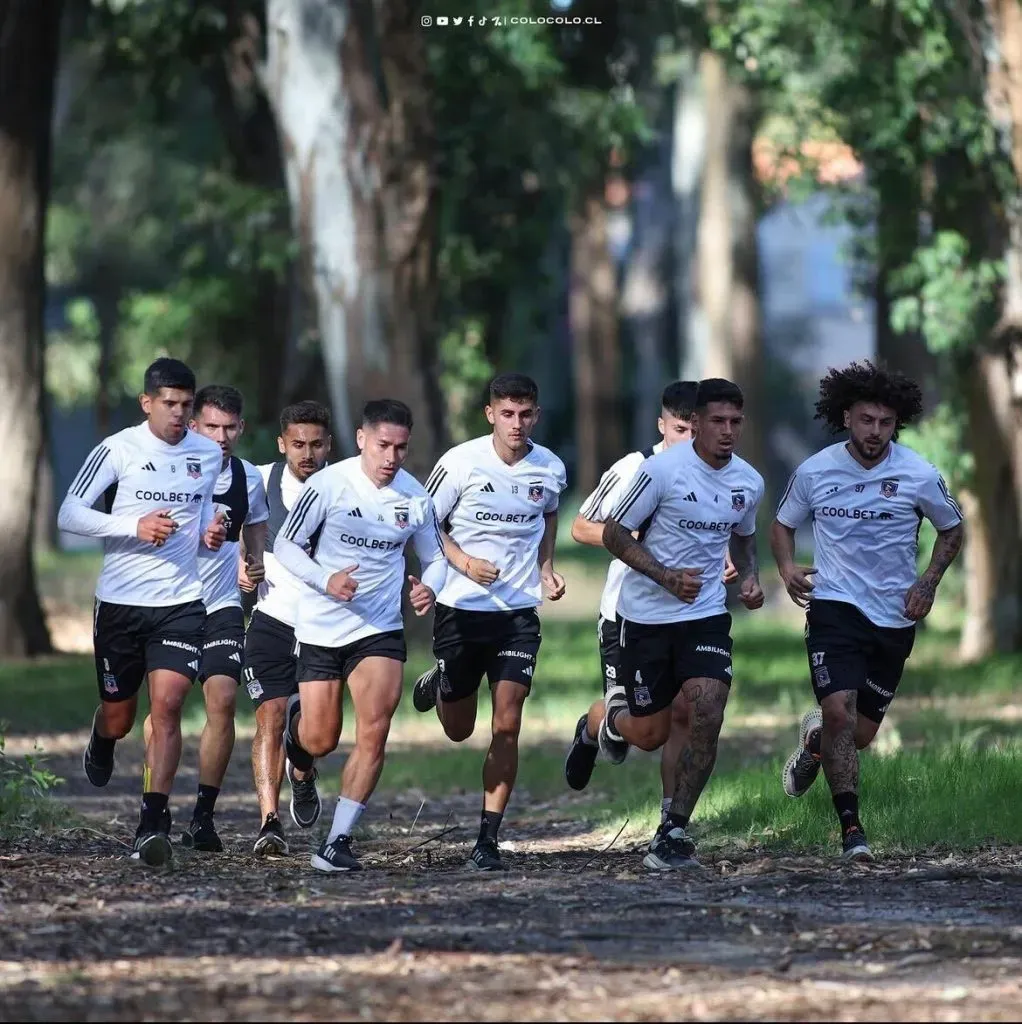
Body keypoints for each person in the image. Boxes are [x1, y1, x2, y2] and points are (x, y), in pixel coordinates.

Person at [771, 361, 964, 862]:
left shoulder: (919, 473)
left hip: (895, 615)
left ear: (896, 424)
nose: (875, 431)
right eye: (865, 420)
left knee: (856, 734)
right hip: (834, 606)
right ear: (846, 417)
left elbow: (953, 529)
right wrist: (788, 568)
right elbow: (782, 524)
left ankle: (815, 742)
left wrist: (928, 582)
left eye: (884, 422)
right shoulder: (815, 470)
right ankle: (852, 830)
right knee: (840, 709)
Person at [57, 357, 226, 865]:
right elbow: (70, 513)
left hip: (179, 601)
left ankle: (152, 822)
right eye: (169, 404)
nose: (178, 414)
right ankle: (103, 733)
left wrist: (205, 534)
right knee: (121, 715)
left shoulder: (207, 453)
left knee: (169, 706)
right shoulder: (119, 449)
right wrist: (134, 526)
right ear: (147, 402)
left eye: (186, 405)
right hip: (120, 604)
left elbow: (198, 519)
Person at [599, 378, 765, 870]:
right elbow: (613, 532)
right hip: (646, 617)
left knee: (706, 711)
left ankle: (673, 829)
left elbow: (744, 537)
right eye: (718, 421)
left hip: (705, 614)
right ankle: (606, 720)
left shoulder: (748, 481)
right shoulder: (662, 471)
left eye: (736, 422)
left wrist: (751, 577)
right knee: (649, 733)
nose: (728, 431)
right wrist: (666, 576)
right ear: (695, 423)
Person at [276, 399, 448, 873]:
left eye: (400, 448)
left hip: (378, 628)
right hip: (321, 626)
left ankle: (337, 840)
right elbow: (286, 546)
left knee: (374, 731)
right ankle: (298, 747)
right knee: (320, 738)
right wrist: (325, 579)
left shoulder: (415, 497)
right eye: (382, 446)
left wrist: (430, 585)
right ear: (360, 440)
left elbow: (435, 557)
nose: (391, 457)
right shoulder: (328, 485)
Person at [411, 372, 567, 871]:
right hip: (460, 609)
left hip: (518, 613)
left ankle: (487, 838)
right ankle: (441, 684)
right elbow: (426, 523)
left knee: (508, 724)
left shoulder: (550, 468)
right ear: (490, 414)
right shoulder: (460, 463)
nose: (516, 424)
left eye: (525, 415)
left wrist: (545, 568)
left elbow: (549, 516)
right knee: (458, 729)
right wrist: (462, 562)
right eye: (507, 414)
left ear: (536, 415)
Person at [563, 380, 738, 807]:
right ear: (662, 426)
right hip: (628, 614)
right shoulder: (635, 469)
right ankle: (597, 722)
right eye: (681, 429)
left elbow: (718, 528)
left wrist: (729, 561)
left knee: (687, 714)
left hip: (691, 612)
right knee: (648, 733)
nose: (689, 439)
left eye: (696, 429)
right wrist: (632, 537)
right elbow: (582, 526)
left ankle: (671, 822)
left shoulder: (719, 471)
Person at [138, 384, 270, 852]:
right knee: (164, 708)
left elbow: (254, 529)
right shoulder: (169, 470)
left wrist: (252, 564)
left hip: (222, 605)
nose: (221, 436)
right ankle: (153, 810)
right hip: (170, 605)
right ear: (193, 425)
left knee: (223, 699)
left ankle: (203, 816)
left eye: (230, 427)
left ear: (242, 428)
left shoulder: (248, 477)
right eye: (211, 426)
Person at [239, 400, 331, 855]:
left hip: (325, 629)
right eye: (298, 444)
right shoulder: (258, 479)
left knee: (315, 730)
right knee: (270, 718)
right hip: (271, 619)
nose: (307, 453)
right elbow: (233, 528)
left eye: (316, 444)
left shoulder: (348, 485)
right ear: (282, 444)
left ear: (328, 445)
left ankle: (304, 771)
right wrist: (240, 563)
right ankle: (269, 823)